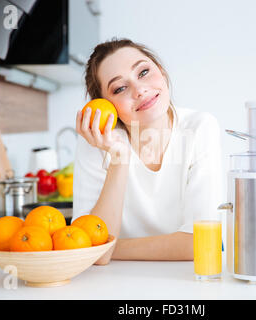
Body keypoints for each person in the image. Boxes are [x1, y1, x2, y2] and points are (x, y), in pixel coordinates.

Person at [73, 38, 224, 264]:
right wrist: (119, 160)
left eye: (143, 72)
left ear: (161, 71)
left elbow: (202, 243)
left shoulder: (200, 127)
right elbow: (92, 252)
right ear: (106, 105)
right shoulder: (96, 142)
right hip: (113, 283)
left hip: (186, 282)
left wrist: (111, 247)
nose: (140, 90)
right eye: (120, 88)